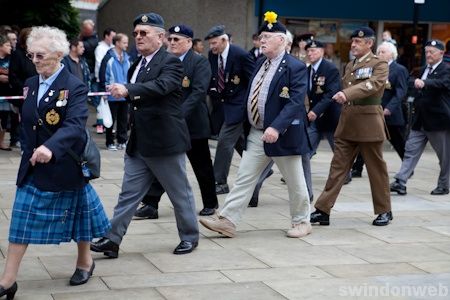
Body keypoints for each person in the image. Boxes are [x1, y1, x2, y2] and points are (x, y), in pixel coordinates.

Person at [0, 27, 111, 299]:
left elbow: (75, 126)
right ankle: (7, 280)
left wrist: (50, 147)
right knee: (20, 221)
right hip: (33, 166)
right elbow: (28, 124)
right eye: (31, 55)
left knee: (80, 217)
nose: (35, 60)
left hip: (65, 164)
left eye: (41, 55)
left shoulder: (74, 86)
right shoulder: (30, 83)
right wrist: (30, 151)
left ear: (58, 55)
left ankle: (85, 261)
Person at [90, 12, 199, 257]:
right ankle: (112, 239)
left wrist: (127, 90)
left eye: (144, 33)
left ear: (160, 37)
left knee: (179, 192)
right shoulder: (137, 63)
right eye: (136, 33)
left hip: (164, 141)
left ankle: (190, 237)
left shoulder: (170, 62)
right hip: (139, 141)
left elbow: (161, 87)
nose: (138, 37)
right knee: (128, 194)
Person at [199, 11, 312, 239]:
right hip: (257, 133)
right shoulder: (260, 62)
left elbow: (294, 103)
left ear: (281, 40)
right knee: (244, 177)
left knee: (295, 181)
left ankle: (302, 221)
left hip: (283, 134)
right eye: (261, 37)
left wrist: (276, 127)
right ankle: (228, 220)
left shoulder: (295, 67)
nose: (262, 41)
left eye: (267, 38)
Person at [310, 26, 393, 226]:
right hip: (348, 121)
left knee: (376, 169)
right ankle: (323, 209)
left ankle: (384, 211)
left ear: (370, 43)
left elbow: (373, 84)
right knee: (337, 168)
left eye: (358, 42)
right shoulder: (351, 65)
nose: (353, 45)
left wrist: (347, 94)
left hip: (369, 122)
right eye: (353, 41)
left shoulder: (379, 63)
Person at [134, 24, 218, 218]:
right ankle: (151, 204)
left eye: (176, 40)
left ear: (189, 42)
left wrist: (178, 115)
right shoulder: (163, 61)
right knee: (162, 164)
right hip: (167, 124)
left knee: (201, 164)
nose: (171, 43)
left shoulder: (199, 62)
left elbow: (198, 92)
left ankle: (210, 203)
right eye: (170, 39)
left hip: (192, 123)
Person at [390, 39, 450, 196]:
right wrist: (415, 83)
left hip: (439, 122)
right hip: (419, 120)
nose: (428, 55)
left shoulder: (446, 69)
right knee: (410, 150)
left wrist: (425, 83)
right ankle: (400, 181)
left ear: (441, 53)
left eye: (432, 52)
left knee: (444, 157)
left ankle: (443, 185)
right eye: (426, 52)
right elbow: (410, 80)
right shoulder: (422, 69)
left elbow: (443, 83)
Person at [204, 24, 253, 194]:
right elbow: (213, 75)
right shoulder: (213, 55)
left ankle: (220, 182)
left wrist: (248, 105)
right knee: (237, 141)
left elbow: (252, 81)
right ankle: (263, 170)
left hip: (239, 104)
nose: (211, 47)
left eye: (214, 43)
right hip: (224, 103)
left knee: (224, 141)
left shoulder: (240, 55)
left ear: (224, 40)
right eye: (210, 44)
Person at [351, 42, 408, 177]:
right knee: (366, 139)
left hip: (391, 114)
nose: (379, 54)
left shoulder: (399, 70)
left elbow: (400, 92)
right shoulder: (374, 68)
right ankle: (357, 168)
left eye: (383, 52)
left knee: (399, 143)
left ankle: (407, 167)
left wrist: (389, 108)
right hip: (374, 112)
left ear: (391, 54)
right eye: (378, 52)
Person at [301, 40, 341, 202]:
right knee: (305, 149)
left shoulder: (330, 69)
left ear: (322, 52)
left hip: (330, 117)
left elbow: (331, 93)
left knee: (339, 152)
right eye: (308, 51)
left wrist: (315, 111)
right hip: (315, 120)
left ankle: (345, 173)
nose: (310, 54)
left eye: (313, 51)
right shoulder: (308, 70)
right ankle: (302, 178)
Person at [102, 33, 130, 151]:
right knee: (110, 120)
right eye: (124, 42)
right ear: (117, 43)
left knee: (123, 119)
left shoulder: (127, 58)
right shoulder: (108, 58)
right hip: (112, 95)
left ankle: (122, 141)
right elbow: (103, 75)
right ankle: (109, 142)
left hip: (124, 94)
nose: (127, 45)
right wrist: (105, 90)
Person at [0, 34, 12, 151]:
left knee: (4, 118)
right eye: (7, 45)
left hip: (7, 94)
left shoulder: (11, 59)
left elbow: (15, 73)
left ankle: (2, 142)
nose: (10, 47)